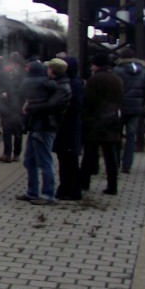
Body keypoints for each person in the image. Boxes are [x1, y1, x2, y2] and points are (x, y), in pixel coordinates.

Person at [18, 59, 69, 205]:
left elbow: (50, 106)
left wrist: (30, 107)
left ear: (53, 70)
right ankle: (32, 191)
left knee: (45, 161)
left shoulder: (61, 87)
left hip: (45, 126)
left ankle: (48, 195)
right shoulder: (51, 84)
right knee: (29, 160)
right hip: (36, 125)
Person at [82, 52, 124, 195]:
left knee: (89, 155)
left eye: (93, 64)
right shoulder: (117, 79)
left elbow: (88, 100)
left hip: (94, 122)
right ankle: (112, 186)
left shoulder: (94, 80)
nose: (92, 67)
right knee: (110, 156)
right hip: (112, 121)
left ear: (97, 65)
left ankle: (84, 183)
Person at [55, 55, 85, 201]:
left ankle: (71, 190)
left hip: (69, 127)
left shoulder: (73, 84)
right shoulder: (74, 82)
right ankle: (66, 188)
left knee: (69, 160)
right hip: (68, 127)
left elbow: (76, 106)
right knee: (65, 159)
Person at [114, 48, 145, 174]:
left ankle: (116, 162)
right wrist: (142, 105)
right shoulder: (143, 72)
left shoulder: (117, 71)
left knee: (116, 135)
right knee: (131, 136)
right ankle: (127, 165)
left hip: (119, 108)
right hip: (135, 109)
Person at [0, 52, 25, 162]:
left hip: (15, 106)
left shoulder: (22, 75)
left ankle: (15, 154)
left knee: (16, 131)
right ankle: (8, 154)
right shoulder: (7, 73)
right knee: (8, 131)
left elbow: (21, 90)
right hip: (7, 106)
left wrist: (9, 94)